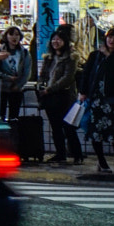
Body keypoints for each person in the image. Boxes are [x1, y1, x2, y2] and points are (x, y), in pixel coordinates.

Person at [79, 26, 114, 174]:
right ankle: (101, 161)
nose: (112, 40)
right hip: (96, 99)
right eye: (109, 37)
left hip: (112, 99)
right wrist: (83, 91)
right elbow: (86, 74)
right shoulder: (95, 55)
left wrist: (108, 55)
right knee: (96, 132)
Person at [38, 26, 81, 165]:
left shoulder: (71, 57)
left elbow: (67, 78)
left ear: (65, 41)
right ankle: (60, 154)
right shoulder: (49, 58)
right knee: (55, 127)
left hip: (65, 96)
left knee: (68, 127)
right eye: (54, 39)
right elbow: (43, 75)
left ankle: (77, 154)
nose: (55, 42)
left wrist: (49, 89)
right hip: (50, 97)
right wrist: (41, 86)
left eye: (59, 39)